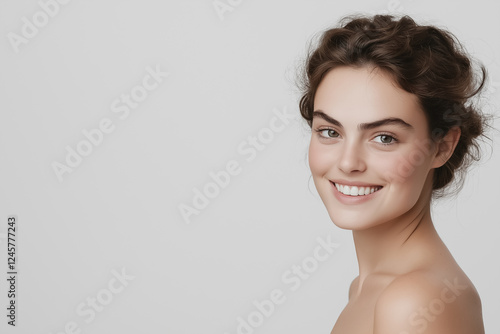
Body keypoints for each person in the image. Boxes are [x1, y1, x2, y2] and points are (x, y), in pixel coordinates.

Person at [298, 14, 490, 333]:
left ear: (442, 146)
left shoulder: (415, 300)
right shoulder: (366, 288)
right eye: (330, 131)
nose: (348, 163)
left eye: (384, 138)